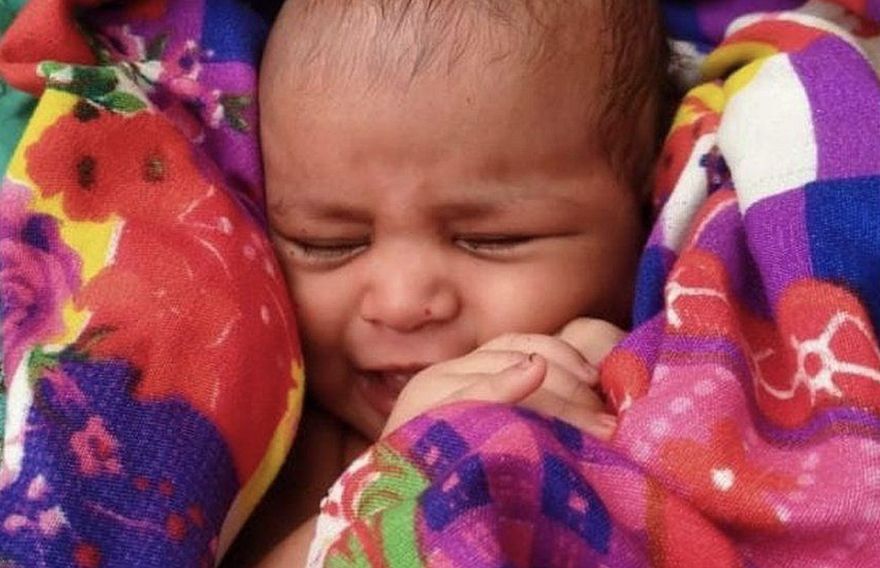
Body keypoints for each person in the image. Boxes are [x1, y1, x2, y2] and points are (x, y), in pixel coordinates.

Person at [230, 0, 671, 565]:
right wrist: (401, 471)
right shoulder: (279, 452)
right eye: (327, 243)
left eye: (493, 239)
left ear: (647, 211)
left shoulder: (676, 373)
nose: (400, 303)